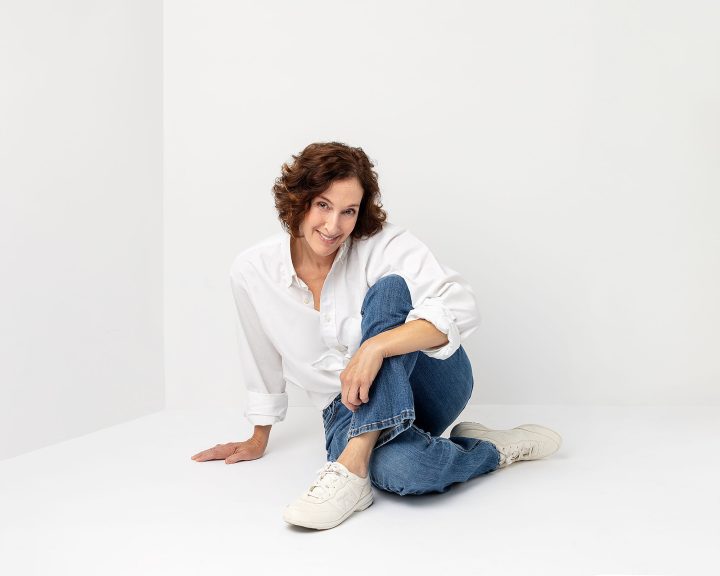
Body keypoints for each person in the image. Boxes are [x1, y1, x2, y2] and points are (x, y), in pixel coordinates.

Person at [191, 142, 561, 530]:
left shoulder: (382, 244)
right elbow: (259, 352)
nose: (334, 226)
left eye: (348, 211)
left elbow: (463, 305)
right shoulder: (252, 270)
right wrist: (258, 436)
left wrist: (376, 346)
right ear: (298, 200)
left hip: (433, 382)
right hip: (344, 407)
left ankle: (354, 463)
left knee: (390, 290)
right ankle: (492, 449)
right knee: (409, 471)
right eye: (322, 205)